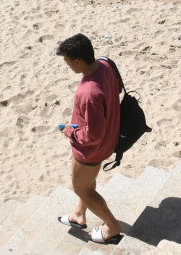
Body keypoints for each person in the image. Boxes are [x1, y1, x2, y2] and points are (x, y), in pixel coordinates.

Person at [55, 33, 124, 245]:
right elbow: (119, 88)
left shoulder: (89, 93)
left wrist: (69, 132)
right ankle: (78, 214)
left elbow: (92, 135)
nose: (68, 66)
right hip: (109, 138)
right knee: (87, 182)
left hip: (91, 150)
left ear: (78, 61)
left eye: (68, 62)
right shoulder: (105, 63)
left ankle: (112, 226)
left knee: (80, 187)